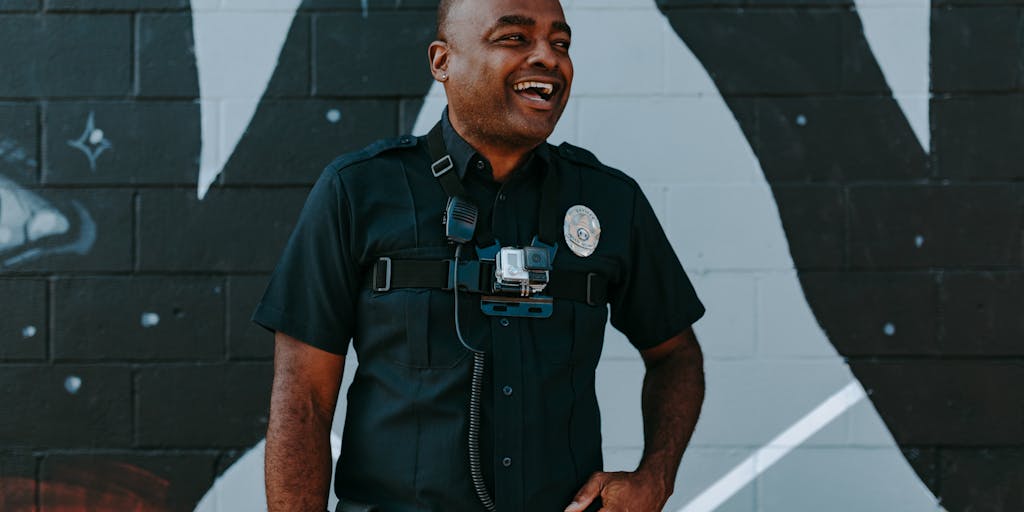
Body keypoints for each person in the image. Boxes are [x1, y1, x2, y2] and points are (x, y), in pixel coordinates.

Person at [253, 0, 707, 510]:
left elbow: (676, 356)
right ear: (442, 61)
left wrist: (656, 478)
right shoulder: (357, 191)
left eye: (561, 43)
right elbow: (303, 403)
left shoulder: (608, 201)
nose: (548, 57)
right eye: (515, 38)